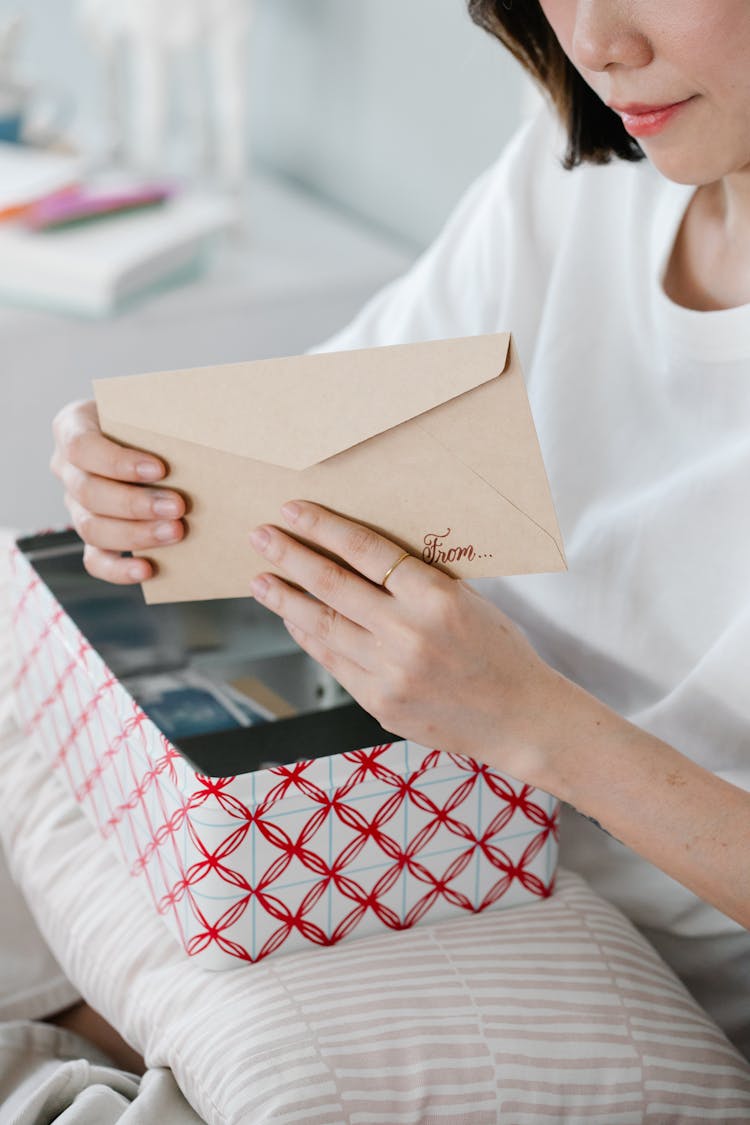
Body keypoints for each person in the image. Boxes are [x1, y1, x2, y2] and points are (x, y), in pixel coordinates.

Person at [48, 0, 750, 1069]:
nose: (597, 41)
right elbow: (321, 445)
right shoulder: (578, 182)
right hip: (391, 859)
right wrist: (141, 470)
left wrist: (532, 726)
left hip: (602, 975)